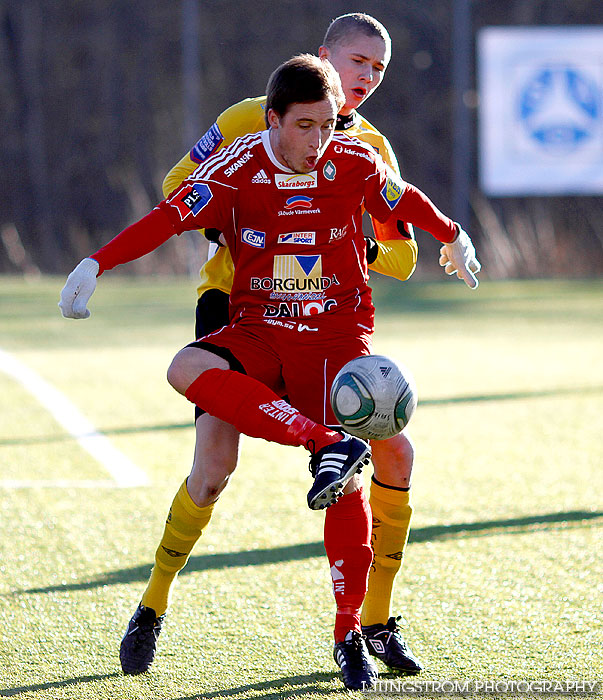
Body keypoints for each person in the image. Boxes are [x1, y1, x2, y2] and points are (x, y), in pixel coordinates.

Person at [59, 53, 480, 689]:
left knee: (361, 476)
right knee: (190, 387)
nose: (319, 141)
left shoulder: (356, 159)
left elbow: (406, 201)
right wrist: (97, 263)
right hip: (258, 331)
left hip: (338, 344)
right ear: (272, 118)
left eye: (328, 126)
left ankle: (351, 633)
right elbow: (168, 215)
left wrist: (453, 236)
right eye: (305, 127)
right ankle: (158, 599)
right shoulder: (235, 164)